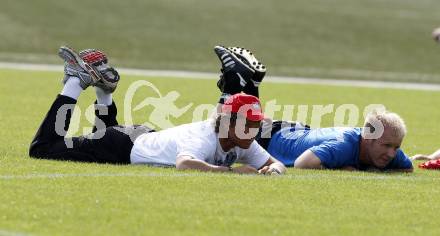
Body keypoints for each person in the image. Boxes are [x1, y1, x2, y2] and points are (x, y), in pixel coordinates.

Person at [28, 46, 286, 175]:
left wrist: (272, 171)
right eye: (248, 123)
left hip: (138, 137)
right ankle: (76, 81)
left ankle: (104, 90)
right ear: (229, 122)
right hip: (121, 146)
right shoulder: (205, 136)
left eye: (255, 123)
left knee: (104, 132)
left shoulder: (242, 141)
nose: (253, 129)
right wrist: (232, 172)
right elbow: (184, 164)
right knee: (43, 149)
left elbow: (275, 165)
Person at [212, 45, 413, 172]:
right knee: (219, 128)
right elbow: (302, 163)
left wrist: (371, 169)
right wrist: (342, 168)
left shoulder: (387, 145)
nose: (391, 154)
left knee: (248, 122)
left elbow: (407, 168)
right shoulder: (344, 145)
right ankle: (233, 83)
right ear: (368, 137)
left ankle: (252, 83)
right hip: (272, 139)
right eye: (386, 146)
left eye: (396, 147)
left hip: (293, 131)